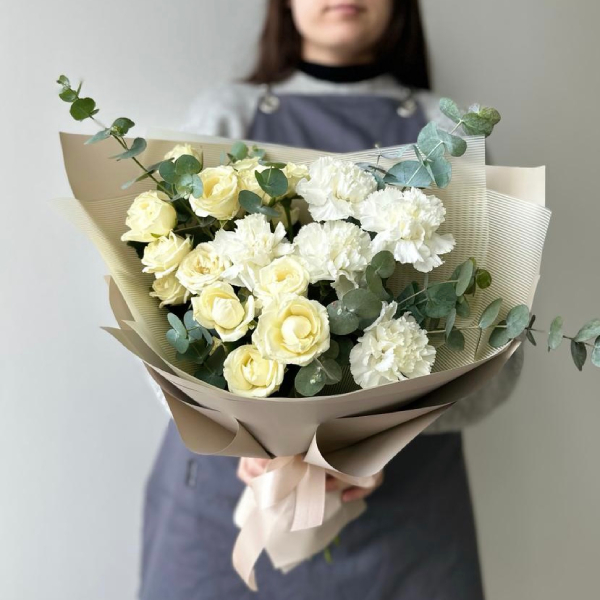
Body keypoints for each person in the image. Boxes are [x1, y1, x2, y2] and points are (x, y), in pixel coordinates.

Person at [139, 1, 524, 598]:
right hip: (224, 498)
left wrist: (366, 444)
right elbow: (157, 323)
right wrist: (242, 435)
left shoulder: (451, 135)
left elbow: (497, 359)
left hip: (404, 520)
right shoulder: (224, 115)